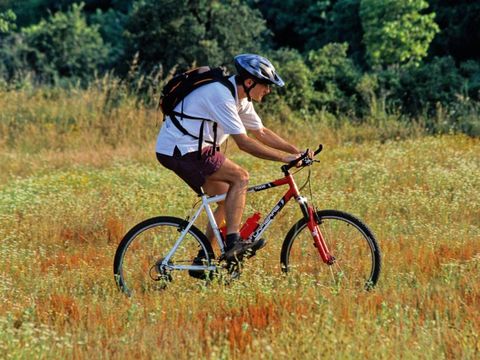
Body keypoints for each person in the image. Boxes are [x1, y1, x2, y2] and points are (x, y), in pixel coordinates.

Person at [156, 54, 309, 269]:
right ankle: (233, 244)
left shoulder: (241, 99)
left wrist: (296, 152)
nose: (268, 90)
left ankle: (203, 259)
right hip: (182, 149)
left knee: (226, 198)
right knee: (240, 177)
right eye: (266, 85)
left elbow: (261, 132)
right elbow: (244, 143)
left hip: (188, 149)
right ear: (249, 82)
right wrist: (284, 158)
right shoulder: (221, 95)